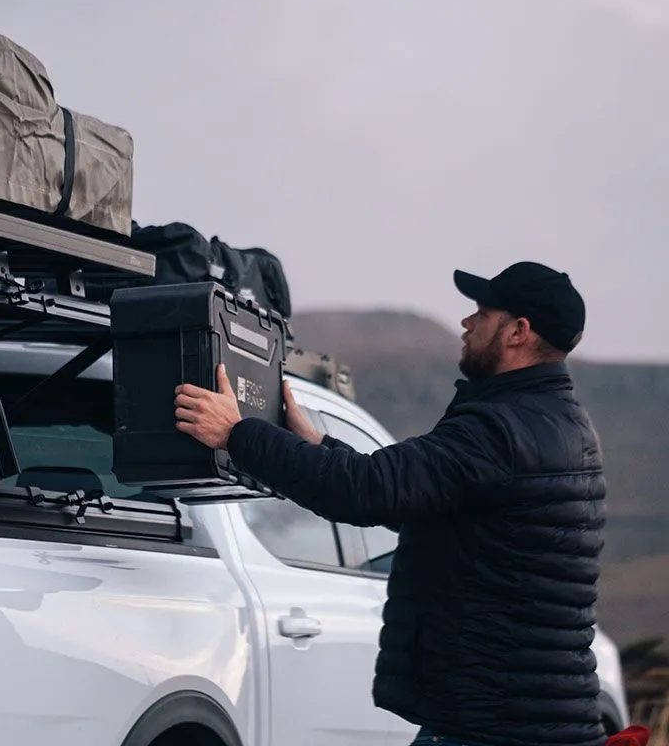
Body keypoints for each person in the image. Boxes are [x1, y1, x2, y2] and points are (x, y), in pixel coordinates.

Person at [174, 262, 608, 746]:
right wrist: (318, 445)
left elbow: (365, 490)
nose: (467, 322)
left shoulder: (497, 429)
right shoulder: (568, 426)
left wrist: (237, 434)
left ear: (518, 332)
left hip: (490, 727)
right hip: (540, 719)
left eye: (482, 313)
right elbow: (425, 500)